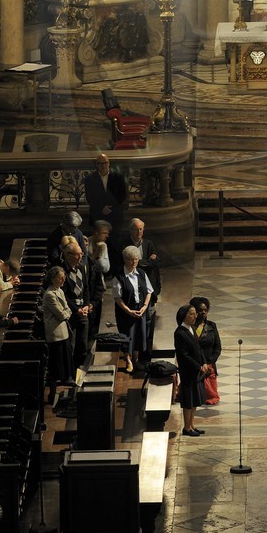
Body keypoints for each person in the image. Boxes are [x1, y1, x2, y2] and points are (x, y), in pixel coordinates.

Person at [114, 245, 154, 374]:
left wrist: (144, 306)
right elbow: (117, 298)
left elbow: (149, 291)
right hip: (126, 312)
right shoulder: (119, 276)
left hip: (140, 310)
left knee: (139, 335)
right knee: (128, 335)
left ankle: (135, 359)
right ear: (125, 259)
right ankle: (128, 360)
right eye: (131, 260)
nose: (134, 262)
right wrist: (128, 311)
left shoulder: (141, 273)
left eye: (136, 259)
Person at [175, 303, 211, 436]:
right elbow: (184, 356)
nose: (195, 316)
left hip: (197, 371)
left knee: (195, 400)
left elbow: (199, 348)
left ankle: (191, 424)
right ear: (184, 316)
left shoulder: (192, 328)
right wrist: (198, 366)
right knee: (188, 401)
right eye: (191, 313)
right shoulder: (180, 333)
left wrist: (205, 362)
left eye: (195, 313)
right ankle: (186, 428)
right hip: (188, 372)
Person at [39, 265, 72, 408]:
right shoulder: (49, 295)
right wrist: (66, 313)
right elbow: (62, 314)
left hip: (63, 333)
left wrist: (67, 313)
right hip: (55, 335)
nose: (63, 279)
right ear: (53, 279)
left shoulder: (60, 291)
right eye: (60, 277)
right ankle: (52, 395)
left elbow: (68, 310)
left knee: (63, 364)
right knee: (54, 367)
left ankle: (59, 394)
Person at [61, 241, 93, 370]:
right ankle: (70, 372)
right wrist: (76, 309)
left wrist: (86, 305)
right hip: (71, 312)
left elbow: (86, 289)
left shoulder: (80, 268)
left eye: (81, 254)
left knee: (83, 343)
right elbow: (64, 295)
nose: (80, 257)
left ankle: (80, 369)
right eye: (77, 255)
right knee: (71, 344)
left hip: (82, 311)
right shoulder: (62, 271)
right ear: (68, 255)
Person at [191, 296, 221, 404]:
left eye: (205, 310)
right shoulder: (189, 328)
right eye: (200, 310)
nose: (203, 312)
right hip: (194, 366)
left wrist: (210, 363)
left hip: (209, 366)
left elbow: (217, 348)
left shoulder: (212, 326)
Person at [84, 152, 127, 228]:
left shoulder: (119, 177)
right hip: (97, 215)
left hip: (115, 216)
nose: (103, 165)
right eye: (100, 163)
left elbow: (123, 195)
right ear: (96, 165)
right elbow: (89, 198)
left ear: (109, 163)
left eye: (105, 163)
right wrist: (102, 208)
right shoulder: (89, 179)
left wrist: (111, 208)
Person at [124, 215, 162, 297]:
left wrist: (138, 263)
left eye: (141, 229)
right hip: (132, 279)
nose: (139, 232)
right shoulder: (124, 245)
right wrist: (147, 262)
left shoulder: (148, 244)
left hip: (148, 279)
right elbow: (126, 263)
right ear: (130, 231)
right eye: (136, 229)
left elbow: (155, 263)